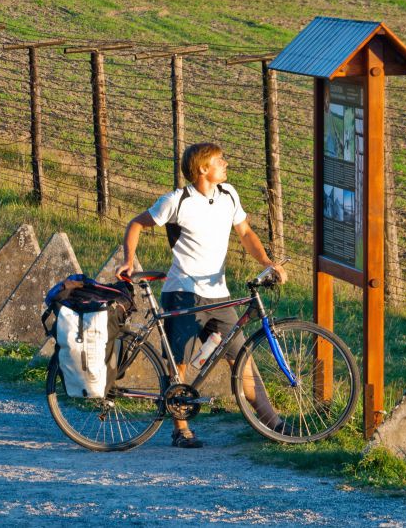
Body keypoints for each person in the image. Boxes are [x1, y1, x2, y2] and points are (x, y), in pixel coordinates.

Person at [119, 142, 287, 449]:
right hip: (183, 291)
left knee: (241, 358)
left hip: (219, 294)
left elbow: (246, 233)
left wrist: (267, 262)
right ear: (202, 169)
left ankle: (275, 424)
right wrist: (129, 260)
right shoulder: (177, 201)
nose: (226, 163)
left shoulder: (229, 195)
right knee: (179, 363)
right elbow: (136, 224)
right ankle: (180, 429)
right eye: (219, 160)